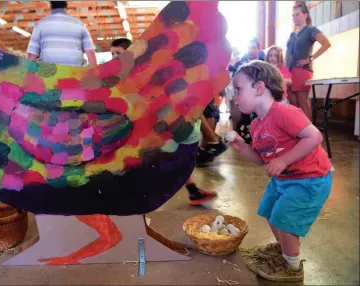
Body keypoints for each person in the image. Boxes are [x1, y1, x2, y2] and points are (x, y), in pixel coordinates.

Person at [228, 61, 332, 282]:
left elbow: (314, 137)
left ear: (258, 88)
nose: (235, 96)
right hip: (285, 178)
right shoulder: (256, 125)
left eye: (238, 89)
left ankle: (292, 267)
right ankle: (283, 248)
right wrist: (243, 147)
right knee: (270, 211)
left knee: (284, 219)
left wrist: (283, 160)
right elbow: (261, 160)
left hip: (310, 179)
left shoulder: (285, 112)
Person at [109, 38, 216, 206]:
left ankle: (192, 190)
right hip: (132, 126)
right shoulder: (118, 75)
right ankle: (191, 190)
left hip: (148, 125)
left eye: (119, 54)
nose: (114, 57)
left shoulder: (142, 71)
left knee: (168, 158)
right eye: (112, 54)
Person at [286, 3, 331, 119]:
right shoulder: (292, 34)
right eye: (293, 16)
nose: (294, 18)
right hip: (288, 72)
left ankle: (310, 132)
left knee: (302, 102)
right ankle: (298, 129)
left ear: (305, 15)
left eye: (297, 15)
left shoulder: (311, 30)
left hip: (302, 71)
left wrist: (311, 58)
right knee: (292, 103)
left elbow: (326, 44)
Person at [26, 1, 97, 67]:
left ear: (50, 6)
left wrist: (28, 75)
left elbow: (32, 55)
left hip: (49, 74)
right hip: (75, 73)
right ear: (66, 6)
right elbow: (90, 52)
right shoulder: (80, 24)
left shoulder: (40, 24)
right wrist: (94, 73)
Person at [228, 39, 264, 145]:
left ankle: (260, 134)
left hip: (259, 94)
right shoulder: (240, 63)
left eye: (253, 47)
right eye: (249, 47)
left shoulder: (263, 64)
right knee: (234, 103)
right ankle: (235, 131)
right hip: (241, 93)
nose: (251, 50)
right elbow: (234, 81)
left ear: (258, 49)